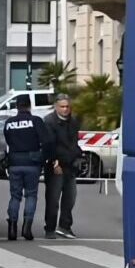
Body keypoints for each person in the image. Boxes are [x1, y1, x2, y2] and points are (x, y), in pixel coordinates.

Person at [1, 96, 45, 241]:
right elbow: (45, 140)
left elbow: (7, 140)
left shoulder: (9, 123)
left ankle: (12, 228)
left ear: (17, 106)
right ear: (29, 106)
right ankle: (27, 228)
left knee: (15, 196)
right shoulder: (36, 121)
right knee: (31, 195)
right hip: (32, 162)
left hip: (14, 161)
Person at [39, 96, 83, 239]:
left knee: (70, 198)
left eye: (67, 107)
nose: (65, 109)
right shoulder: (49, 121)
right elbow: (49, 144)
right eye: (62, 106)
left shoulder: (73, 121)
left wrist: (77, 157)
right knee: (53, 199)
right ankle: (50, 228)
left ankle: (65, 226)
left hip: (70, 165)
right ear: (56, 107)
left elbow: (74, 142)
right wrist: (54, 162)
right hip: (56, 165)